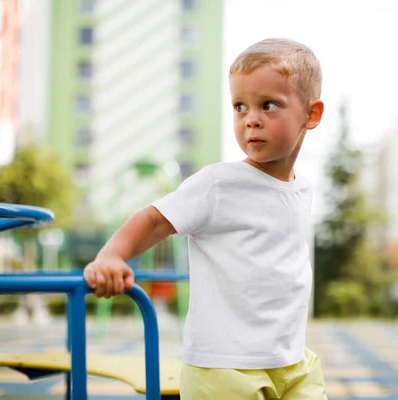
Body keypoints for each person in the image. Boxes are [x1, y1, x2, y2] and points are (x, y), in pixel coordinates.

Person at [84, 37, 327, 399]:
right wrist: (111, 255)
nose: (251, 120)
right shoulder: (218, 184)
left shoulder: (303, 189)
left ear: (311, 114)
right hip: (224, 367)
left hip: (291, 361)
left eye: (268, 105)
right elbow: (154, 220)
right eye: (240, 106)